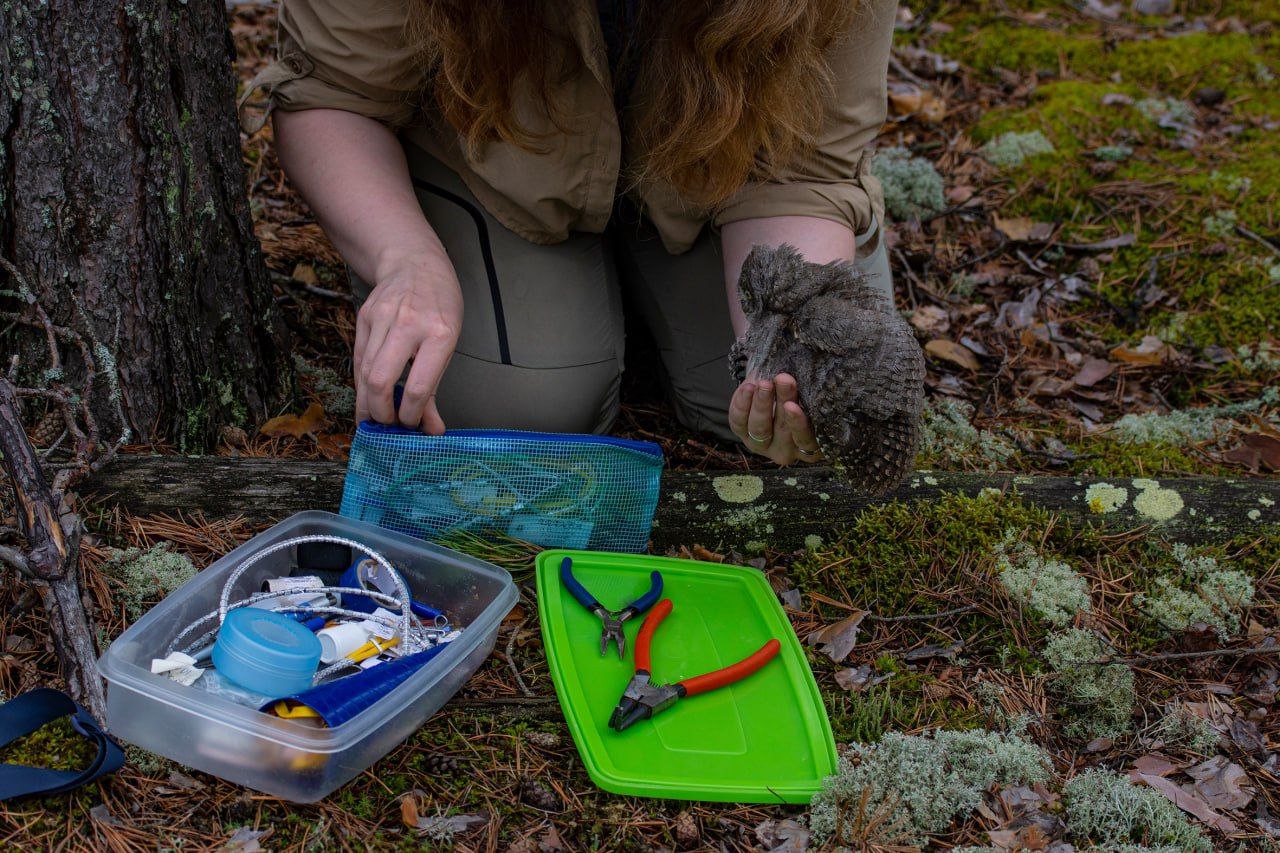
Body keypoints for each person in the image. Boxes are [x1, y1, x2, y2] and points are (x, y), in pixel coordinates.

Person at [243, 0, 897, 466]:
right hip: (497, 154)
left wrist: (786, 332)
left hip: (716, 171)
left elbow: (801, 166)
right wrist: (405, 256)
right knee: (520, 411)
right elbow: (333, 92)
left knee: (821, 398)